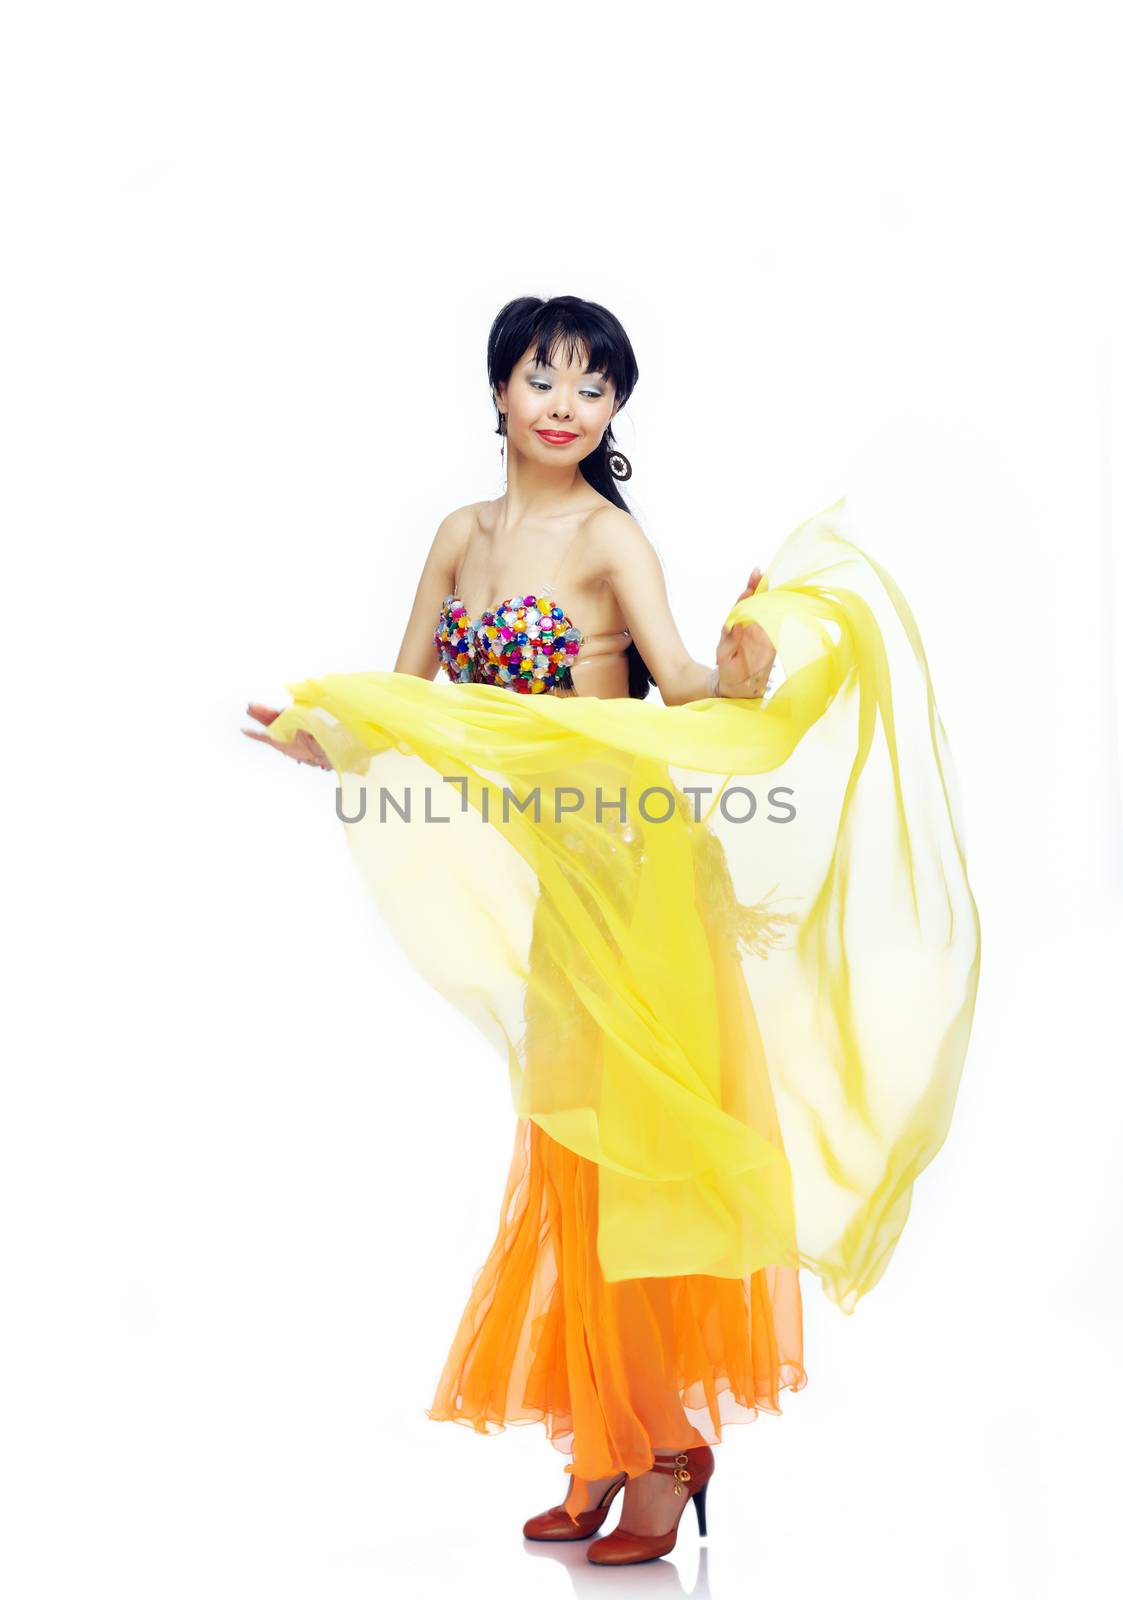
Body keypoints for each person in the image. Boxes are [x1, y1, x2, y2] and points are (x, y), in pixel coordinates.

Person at [244, 295, 980, 1566]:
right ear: (498, 392)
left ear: (615, 412)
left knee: (630, 1163)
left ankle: (660, 1450)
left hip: (632, 875)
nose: (567, 404)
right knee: (569, 1159)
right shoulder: (459, 538)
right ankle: (605, 1439)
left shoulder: (605, 539)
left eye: (595, 386)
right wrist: (328, 737)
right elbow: (411, 698)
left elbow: (686, 686)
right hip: (554, 893)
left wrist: (748, 665)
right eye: (545, 378)